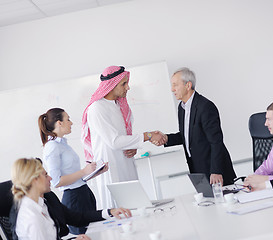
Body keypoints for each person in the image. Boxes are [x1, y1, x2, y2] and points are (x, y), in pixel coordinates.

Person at [81, 65, 163, 209]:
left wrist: (132, 146)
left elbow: (123, 138)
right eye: (123, 84)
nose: (128, 87)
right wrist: (148, 136)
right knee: (118, 214)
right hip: (110, 167)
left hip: (126, 164)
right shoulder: (97, 108)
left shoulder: (119, 105)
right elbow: (114, 141)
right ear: (111, 86)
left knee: (136, 207)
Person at [153, 67, 236, 186]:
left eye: (175, 85)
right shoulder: (182, 108)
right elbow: (188, 136)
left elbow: (216, 142)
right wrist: (166, 138)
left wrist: (216, 171)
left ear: (188, 85)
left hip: (215, 172)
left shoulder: (205, 107)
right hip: (197, 169)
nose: (172, 89)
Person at [38, 108, 108, 234]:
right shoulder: (52, 147)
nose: (71, 123)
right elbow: (56, 181)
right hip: (75, 199)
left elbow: (74, 176)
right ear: (59, 123)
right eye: (68, 119)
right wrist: (83, 171)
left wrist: (94, 172)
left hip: (84, 194)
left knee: (95, 234)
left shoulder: (63, 144)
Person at [10, 158, 90, 240]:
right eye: (45, 175)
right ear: (35, 180)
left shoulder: (39, 205)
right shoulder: (32, 217)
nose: (50, 178)